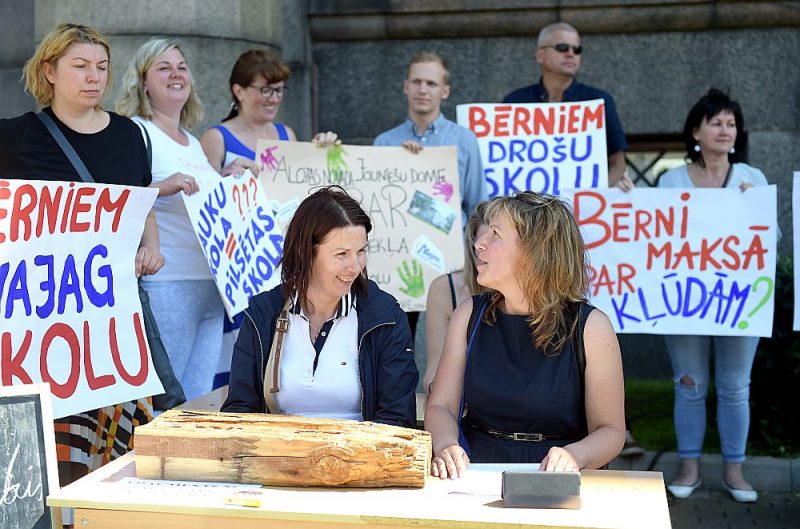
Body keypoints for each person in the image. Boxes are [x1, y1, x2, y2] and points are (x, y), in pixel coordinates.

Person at [0, 22, 163, 487]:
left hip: (116, 314)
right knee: (58, 438)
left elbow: (140, 204)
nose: (94, 77)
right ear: (49, 71)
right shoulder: (14, 137)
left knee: (123, 440)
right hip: (46, 320)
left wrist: (151, 247)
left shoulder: (130, 134)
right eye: (80, 66)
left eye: (102, 66)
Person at [425, 192, 625, 478]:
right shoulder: (468, 314)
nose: (479, 243)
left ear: (535, 251)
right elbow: (441, 405)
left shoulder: (591, 327)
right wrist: (446, 445)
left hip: (558, 476)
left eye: (496, 234)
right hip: (475, 469)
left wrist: (575, 455)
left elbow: (611, 431)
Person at [117, 38, 250, 402]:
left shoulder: (190, 139)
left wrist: (226, 178)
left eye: (182, 67)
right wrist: (164, 186)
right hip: (168, 281)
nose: (176, 74)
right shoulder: (136, 131)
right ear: (143, 82)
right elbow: (120, 195)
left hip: (212, 282)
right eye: (164, 68)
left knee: (197, 398)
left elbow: (202, 200)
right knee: (164, 397)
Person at [221, 186, 418, 427]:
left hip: (360, 449)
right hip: (278, 447)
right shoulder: (263, 313)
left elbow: (397, 418)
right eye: (342, 254)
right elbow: (240, 410)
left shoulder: (385, 316)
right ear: (306, 253)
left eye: (360, 252)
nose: (355, 266)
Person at [199, 49, 336, 388]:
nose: (274, 98)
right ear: (239, 90)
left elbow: (304, 192)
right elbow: (202, 202)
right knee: (239, 357)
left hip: (284, 261)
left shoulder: (287, 134)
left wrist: (321, 151)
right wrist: (223, 178)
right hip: (240, 267)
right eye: (265, 90)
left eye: (279, 90)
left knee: (280, 352)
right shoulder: (216, 138)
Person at [658, 88, 766, 503]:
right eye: (716, 122)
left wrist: (752, 208)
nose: (725, 130)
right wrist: (627, 201)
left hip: (737, 300)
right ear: (696, 132)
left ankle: (734, 472)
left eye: (731, 123)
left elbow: (769, 239)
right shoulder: (670, 180)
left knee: (736, 387)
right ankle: (689, 469)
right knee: (689, 384)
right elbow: (652, 237)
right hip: (684, 300)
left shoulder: (752, 178)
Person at [374, 51, 489, 339]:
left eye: (431, 83)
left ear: (444, 91)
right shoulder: (385, 143)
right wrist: (401, 163)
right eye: (416, 82)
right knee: (396, 339)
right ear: (405, 86)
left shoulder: (463, 140)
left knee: (457, 338)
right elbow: (375, 206)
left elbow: (477, 206)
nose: (423, 90)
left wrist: (476, 259)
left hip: (451, 258)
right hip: (398, 258)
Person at [502, 23, 629, 188]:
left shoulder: (598, 101)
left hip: (583, 202)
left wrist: (595, 195)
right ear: (540, 55)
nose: (570, 54)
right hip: (527, 202)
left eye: (577, 49)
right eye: (562, 48)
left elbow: (618, 164)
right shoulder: (515, 101)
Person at [423, 202, 489, 394]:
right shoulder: (446, 289)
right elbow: (433, 374)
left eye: (496, 240)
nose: (485, 253)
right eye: (481, 246)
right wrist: (442, 392)